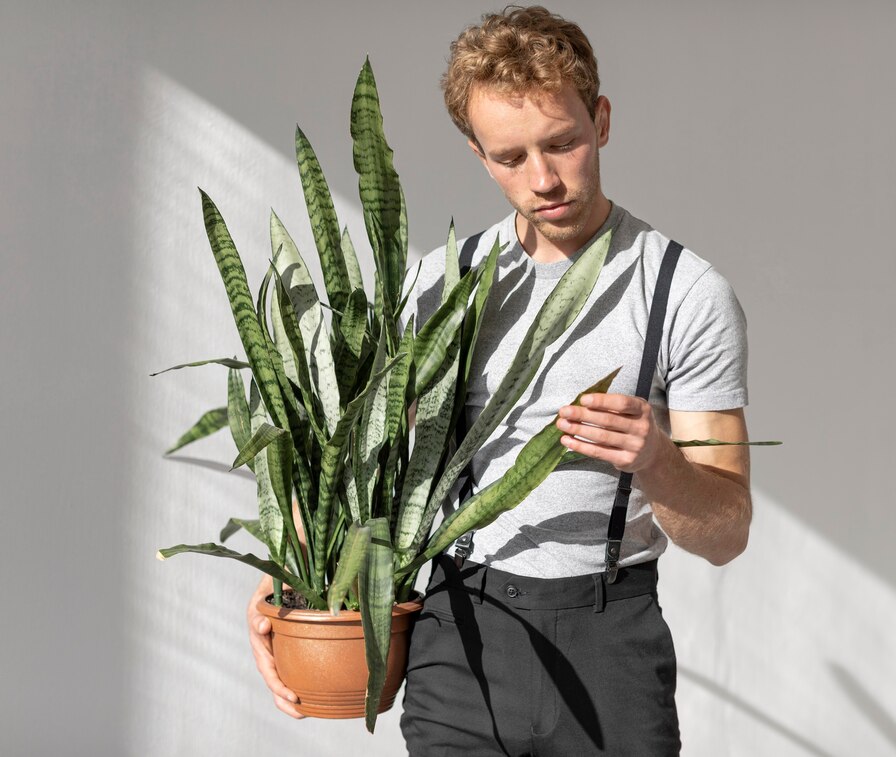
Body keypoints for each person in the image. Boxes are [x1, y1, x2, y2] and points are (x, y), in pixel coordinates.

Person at [248, 6, 752, 755]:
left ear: (602, 120)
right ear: (480, 156)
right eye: (511, 157)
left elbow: (727, 532)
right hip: (461, 633)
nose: (543, 178)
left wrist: (658, 461)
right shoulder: (437, 287)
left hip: (610, 638)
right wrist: (282, 583)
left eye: (563, 143)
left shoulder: (684, 290)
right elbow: (360, 462)